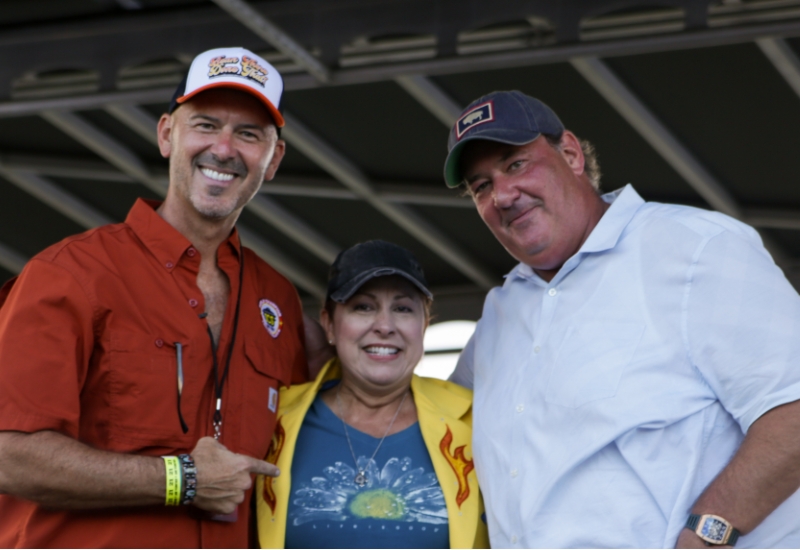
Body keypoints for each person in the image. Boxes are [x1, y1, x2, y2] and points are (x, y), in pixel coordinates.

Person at [0, 47, 326, 547]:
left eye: (249, 134)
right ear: (167, 134)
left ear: (274, 158)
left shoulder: (277, 300)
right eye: (206, 124)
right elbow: (9, 455)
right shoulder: (70, 274)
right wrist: (181, 480)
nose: (224, 148)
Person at [444, 90, 800, 548]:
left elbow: (792, 408)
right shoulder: (500, 314)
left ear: (570, 154)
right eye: (481, 187)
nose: (504, 195)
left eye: (515, 165)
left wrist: (708, 533)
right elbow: (428, 431)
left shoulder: (693, 247)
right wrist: (326, 359)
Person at [255, 240, 489, 549]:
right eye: (363, 307)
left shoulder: (476, 421)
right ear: (329, 325)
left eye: (403, 309)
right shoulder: (271, 418)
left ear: (424, 324)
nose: (384, 326)